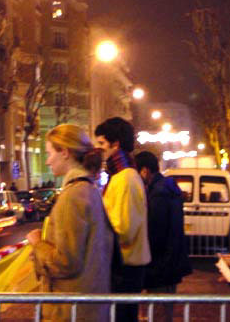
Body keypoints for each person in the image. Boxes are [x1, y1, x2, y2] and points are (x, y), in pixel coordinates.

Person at [26, 124, 113, 322]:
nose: (47, 161)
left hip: (70, 310)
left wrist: (38, 244)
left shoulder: (73, 196)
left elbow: (66, 262)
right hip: (88, 307)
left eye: (49, 153)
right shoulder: (89, 190)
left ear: (65, 152)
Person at [94, 117, 150, 322]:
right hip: (124, 263)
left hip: (124, 265)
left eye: (102, 143)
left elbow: (124, 229)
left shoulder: (125, 178)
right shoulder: (122, 176)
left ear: (115, 144)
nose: (98, 148)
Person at [135, 150, 191, 321]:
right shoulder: (167, 188)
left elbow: (156, 233)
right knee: (164, 311)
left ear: (145, 171)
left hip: (161, 266)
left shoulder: (158, 194)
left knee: (159, 313)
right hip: (170, 262)